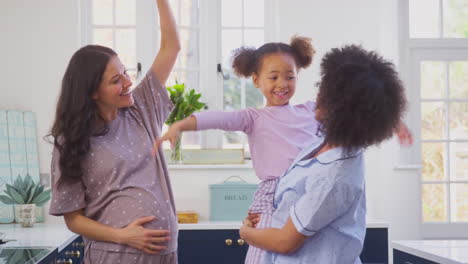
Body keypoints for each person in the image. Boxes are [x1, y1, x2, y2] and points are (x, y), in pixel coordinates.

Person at [154, 37, 412, 264]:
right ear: (256, 80)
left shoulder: (311, 115)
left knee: (275, 241)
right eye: (274, 76)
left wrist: (393, 121)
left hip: (300, 193)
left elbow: (364, 103)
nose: (283, 84)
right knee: (261, 253)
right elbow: (219, 118)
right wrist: (182, 125)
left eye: (290, 76)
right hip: (271, 192)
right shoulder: (255, 117)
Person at [239, 44, 408, 264]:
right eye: (323, 86)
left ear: (344, 109)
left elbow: (285, 242)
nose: (318, 95)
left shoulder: (334, 174)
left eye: (327, 93)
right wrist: (264, 222)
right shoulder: (319, 143)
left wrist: (246, 233)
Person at [48, 0, 180, 263]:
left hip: (163, 254)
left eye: (125, 73)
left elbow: (171, 47)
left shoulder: (141, 108)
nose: (128, 82)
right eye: (116, 80)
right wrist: (122, 236)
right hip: (114, 254)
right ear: (93, 92)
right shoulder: (71, 140)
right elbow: (73, 219)